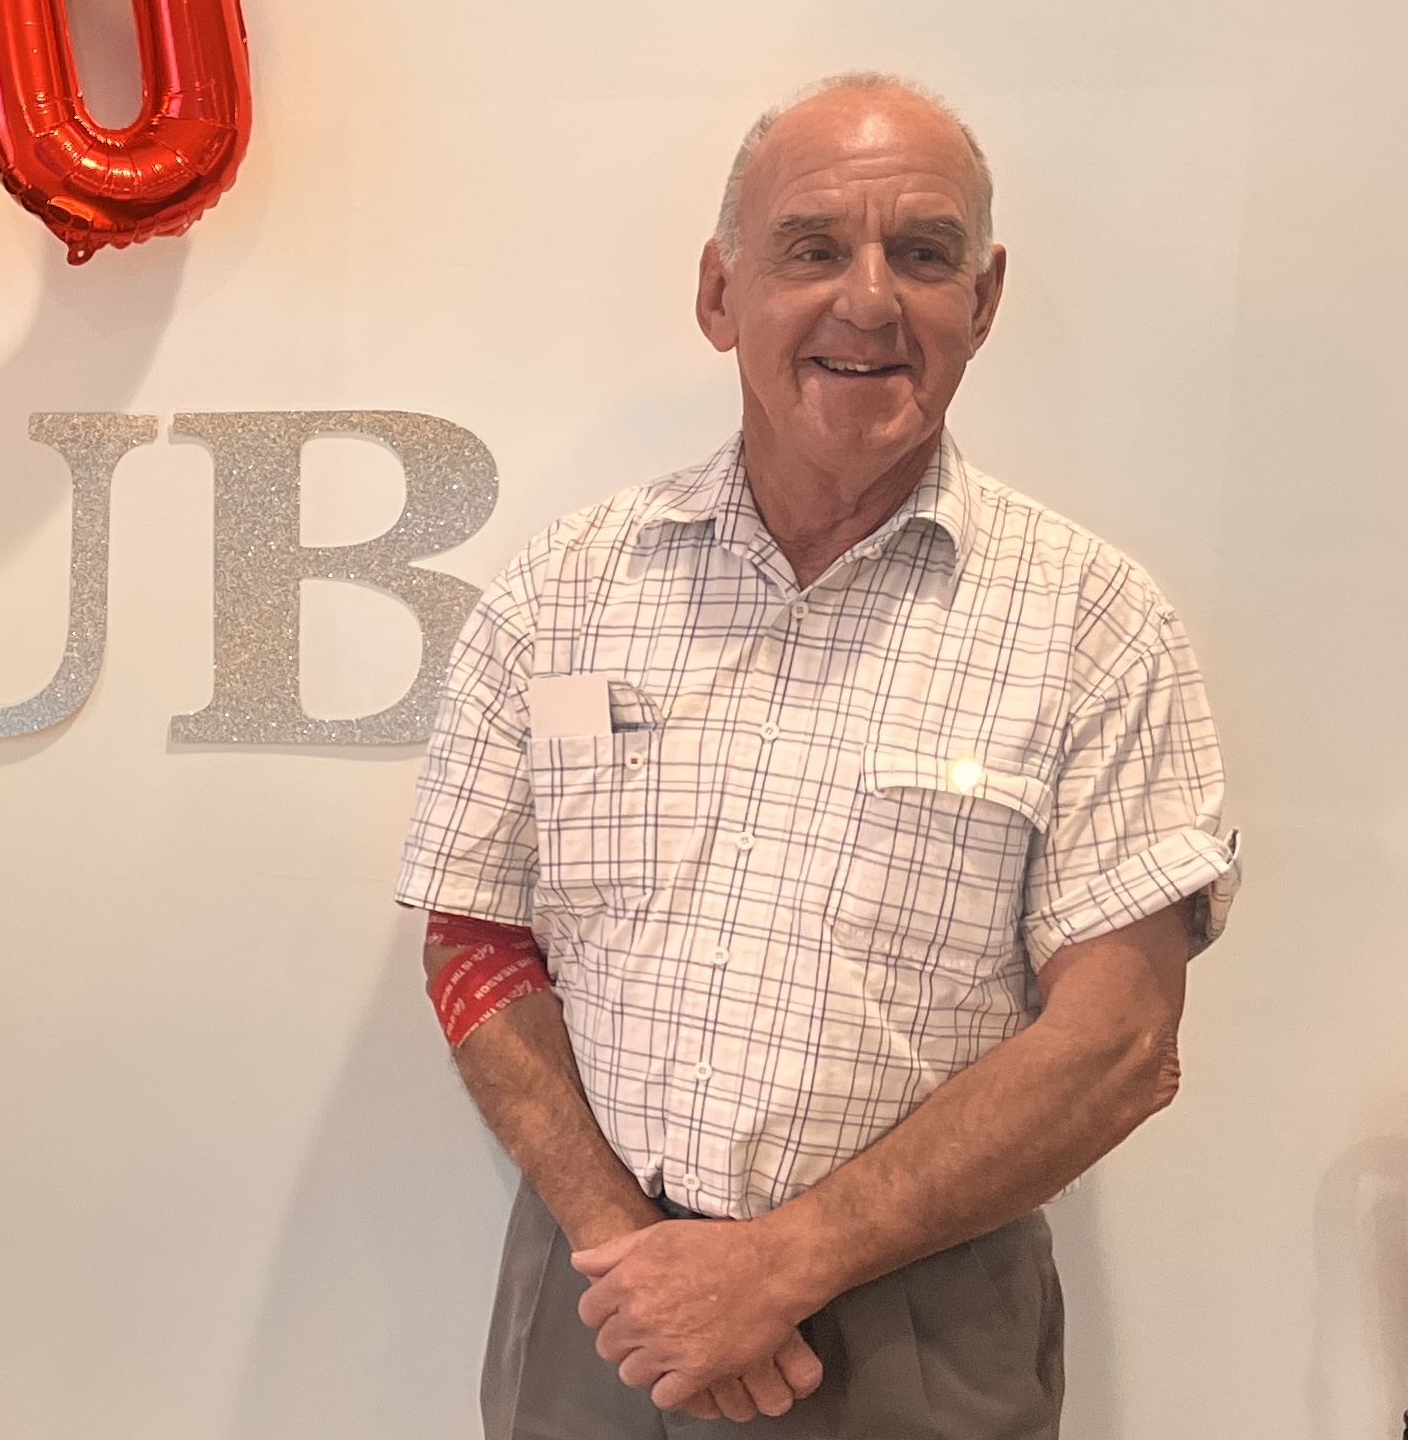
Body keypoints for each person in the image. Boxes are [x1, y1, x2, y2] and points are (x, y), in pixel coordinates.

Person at [396, 74, 1237, 1436]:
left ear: (983, 296)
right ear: (718, 292)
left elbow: (1118, 1039)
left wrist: (774, 1265)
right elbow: (469, 933)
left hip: (917, 1330)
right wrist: (634, 1253)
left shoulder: (1096, 625)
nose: (866, 297)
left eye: (920, 252)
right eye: (808, 247)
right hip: (601, 1299)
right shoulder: (564, 590)